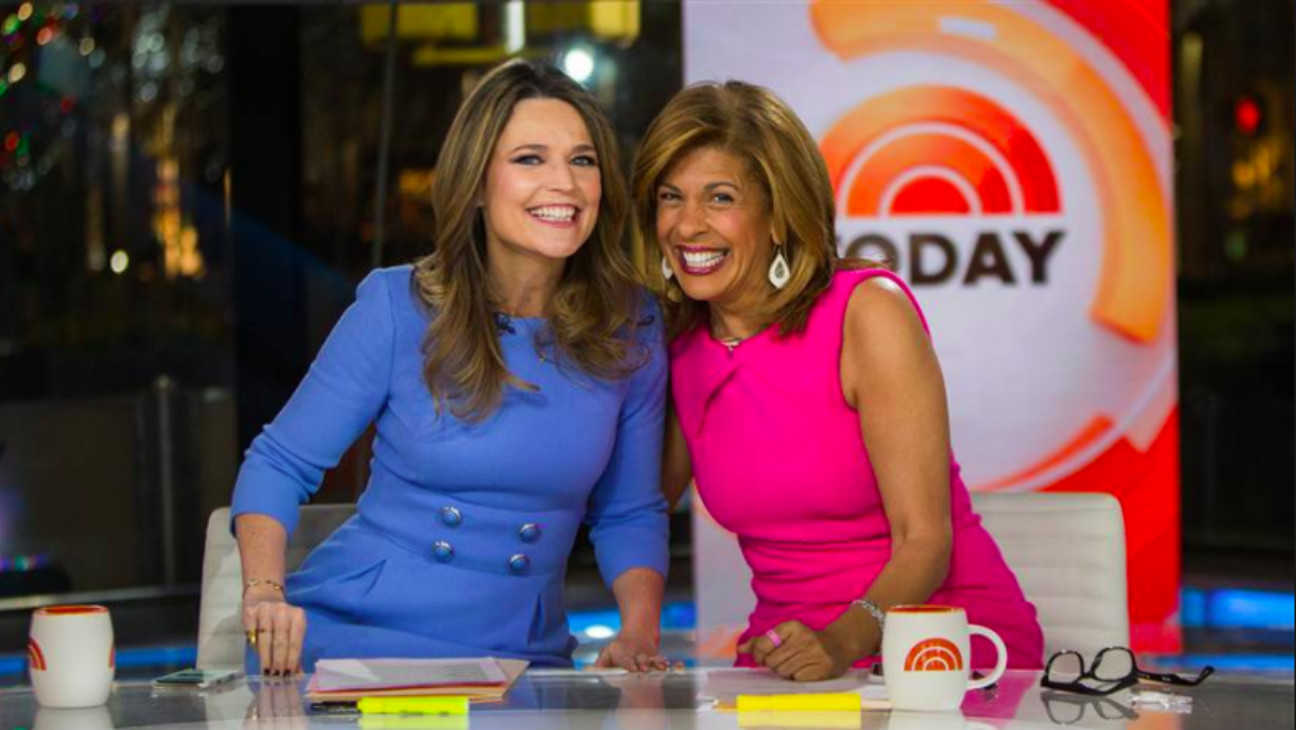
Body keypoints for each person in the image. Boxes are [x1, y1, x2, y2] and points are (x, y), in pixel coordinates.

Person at [231, 60, 670, 676]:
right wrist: (264, 594)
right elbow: (279, 462)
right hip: (355, 642)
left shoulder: (631, 323)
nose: (565, 184)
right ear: (478, 182)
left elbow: (629, 510)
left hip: (521, 659)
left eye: (582, 160)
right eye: (530, 159)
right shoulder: (397, 306)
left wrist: (640, 632)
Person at [632, 80, 1044, 681]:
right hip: (787, 661)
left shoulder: (866, 313)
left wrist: (840, 642)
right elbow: (636, 509)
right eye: (671, 197)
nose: (687, 225)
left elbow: (925, 540)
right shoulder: (680, 348)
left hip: (940, 650)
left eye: (720, 198)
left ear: (779, 216)